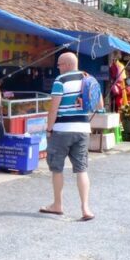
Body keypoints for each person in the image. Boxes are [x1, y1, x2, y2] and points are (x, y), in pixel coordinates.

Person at [40, 52, 94, 221]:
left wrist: (49, 128)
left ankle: (57, 205)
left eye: (59, 65)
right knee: (82, 169)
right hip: (83, 129)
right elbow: (98, 104)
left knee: (57, 168)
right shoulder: (88, 78)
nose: (58, 68)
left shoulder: (60, 81)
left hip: (62, 130)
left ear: (67, 64)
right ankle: (85, 208)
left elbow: (53, 108)